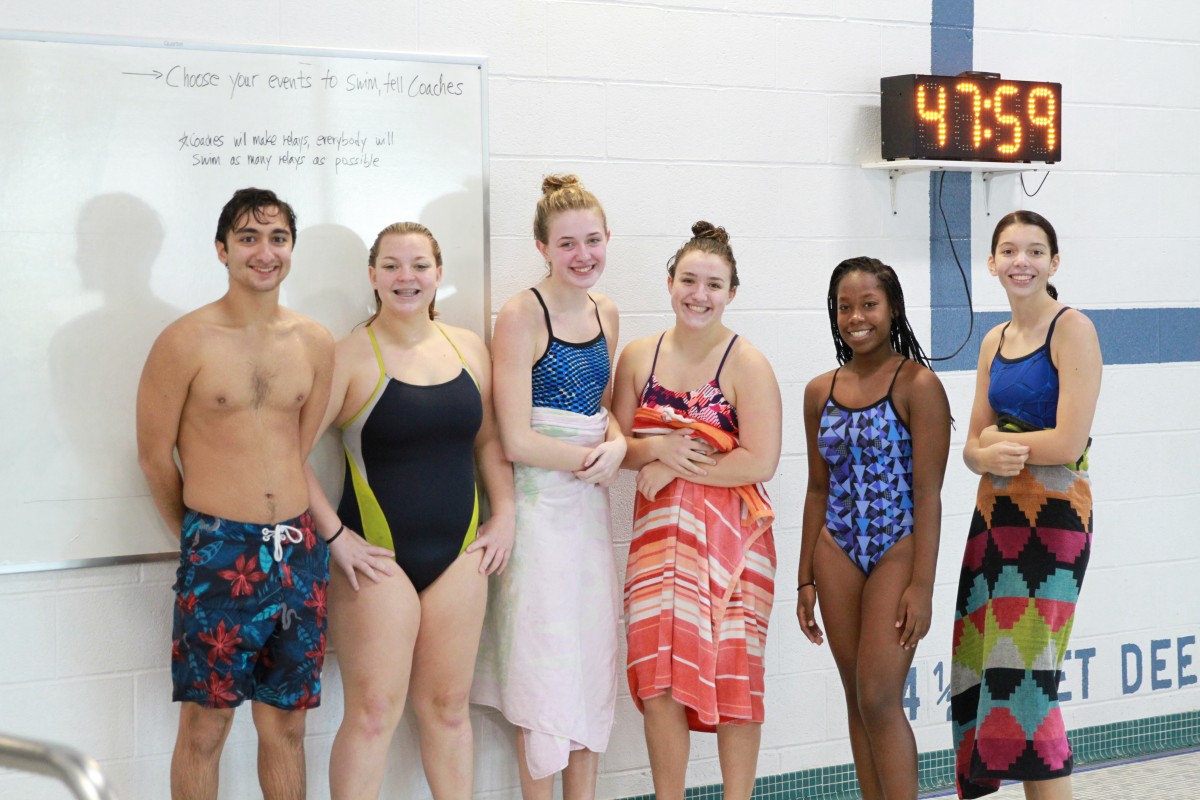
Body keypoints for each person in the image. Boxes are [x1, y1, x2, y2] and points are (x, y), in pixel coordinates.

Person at [303, 221, 515, 799]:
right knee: (373, 713)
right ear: (372, 276)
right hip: (376, 560)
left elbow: (490, 443)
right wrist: (335, 537)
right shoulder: (346, 357)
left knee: (448, 708)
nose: (407, 277)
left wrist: (505, 515)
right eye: (392, 266)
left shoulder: (469, 346)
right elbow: (288, 457)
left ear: (439, 273)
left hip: (462, 553)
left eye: (419, 265)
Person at [136, 187, 335, 800]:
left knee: (287, 725)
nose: (264, 252)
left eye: (277, 238)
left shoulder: (315, 342)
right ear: (222, 250)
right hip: (219, 551)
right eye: (249, 238)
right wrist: (203, 536)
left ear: (292, 250)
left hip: (297, 550)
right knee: (206, 724)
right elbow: (153, 457)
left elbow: (296, 448)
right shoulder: (185, 340)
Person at [613, 221, 781, 800]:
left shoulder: (746, 363)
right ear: (669, 283)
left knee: (734, 674)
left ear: (732, 293)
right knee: (658, 678)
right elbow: (615, 447)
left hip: (736, 542)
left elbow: (760, 461)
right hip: (658, 541)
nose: (699, 294)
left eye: (714, 284)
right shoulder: (639, 356)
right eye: (689, 280)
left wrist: (674, 466)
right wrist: (655, 451)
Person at [472, 174, 625, 800]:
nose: (582, 255)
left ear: (608, 239)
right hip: (538, 514)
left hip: (587, 512)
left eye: (592, 241)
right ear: (542, 247)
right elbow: (514, 438)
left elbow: (603, 406)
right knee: (541, 674)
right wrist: (592, 458)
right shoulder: (519, 315)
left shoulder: (606, 312)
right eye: (567, 244)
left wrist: (616, 441)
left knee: (589, 668)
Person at [950, 212, 1101, 800]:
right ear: (991, 263)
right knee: (986, 673)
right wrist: (984, 451)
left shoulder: (1073, 330)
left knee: (1029, 683)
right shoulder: (994, 340)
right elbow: (970, 447)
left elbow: (1068, 441)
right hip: (995, 516)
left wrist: (996, 445)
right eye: (1009, 251)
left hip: (1055, 517)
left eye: (1035, 251)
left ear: (1054, 263)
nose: (1022, 261)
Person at [796, 256, 952, 800]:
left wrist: (922, 587)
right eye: (845, 306)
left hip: (897, 547)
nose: (856, 316)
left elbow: (928, 495)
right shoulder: (820, 391)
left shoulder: (918, 385)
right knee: (856, 700)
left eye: (868, 304)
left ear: (892, 310)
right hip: (835, 550)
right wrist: (804, 581)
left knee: (880, 698)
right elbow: (818, 489)